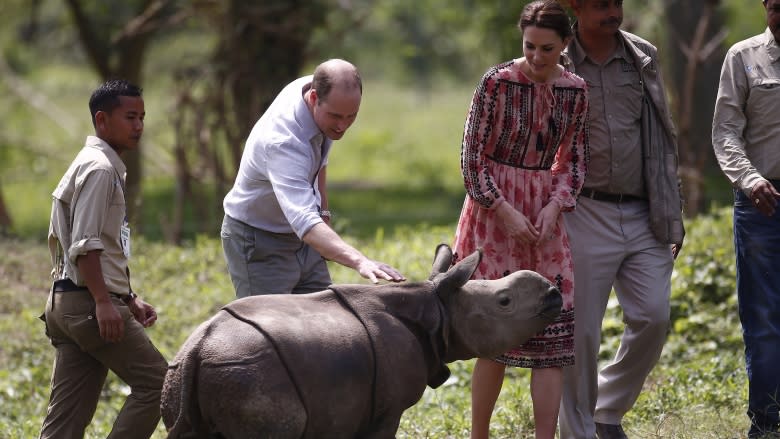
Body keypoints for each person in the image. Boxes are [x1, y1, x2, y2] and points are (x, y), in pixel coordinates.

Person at [451, 2, 588, 437]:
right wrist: (501, 207)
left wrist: (555, 205)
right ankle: (479, 435)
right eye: (529, 46)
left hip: (543, 217)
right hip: (494, 216)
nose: (536, 57)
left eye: (547, 48)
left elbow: (574, 160)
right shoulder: (496, 83)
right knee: (494, 332)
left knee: (551, 331)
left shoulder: (576, 91)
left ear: (565, 44)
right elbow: (471, 158)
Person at [557, 1, 685, 438]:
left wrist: (672, 207)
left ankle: (606, 409)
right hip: (582, 210)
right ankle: (580, 431)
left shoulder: (642, 55)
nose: (613, 11)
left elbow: (661, 134)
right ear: (575, 5)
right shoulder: (557, 57)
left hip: (644, 210)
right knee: (582, 333)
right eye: (600, 4)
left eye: (617, 2)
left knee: (653, 317)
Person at [39, 79, 168, 439]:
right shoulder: (100, 170)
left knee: (65, 420)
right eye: (130, 117)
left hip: (65, 303)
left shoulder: (92, 163)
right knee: (159, 384)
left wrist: (127, 297)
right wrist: (102, 301)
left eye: (142, 117)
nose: (139, 125)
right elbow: (86, 244)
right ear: (102, 121)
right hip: (87, 304)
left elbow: (99, 246)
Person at [221, 59, 405, 298]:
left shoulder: (311, 89)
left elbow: (319, 163)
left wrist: (324, 218)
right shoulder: (284, 143)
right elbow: (305, 223)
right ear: (314, 98)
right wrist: (360, 261)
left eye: (351, 116)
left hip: (305, 241)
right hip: (260, 241)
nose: (342, 126)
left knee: (321, 322)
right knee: (273, 329)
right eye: (336, 116)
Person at [712, 1, 780, 436]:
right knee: (764, 319)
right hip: (762, 204)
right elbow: (725, 129)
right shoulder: (743, 56)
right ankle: (768, 421)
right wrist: (749, 179)